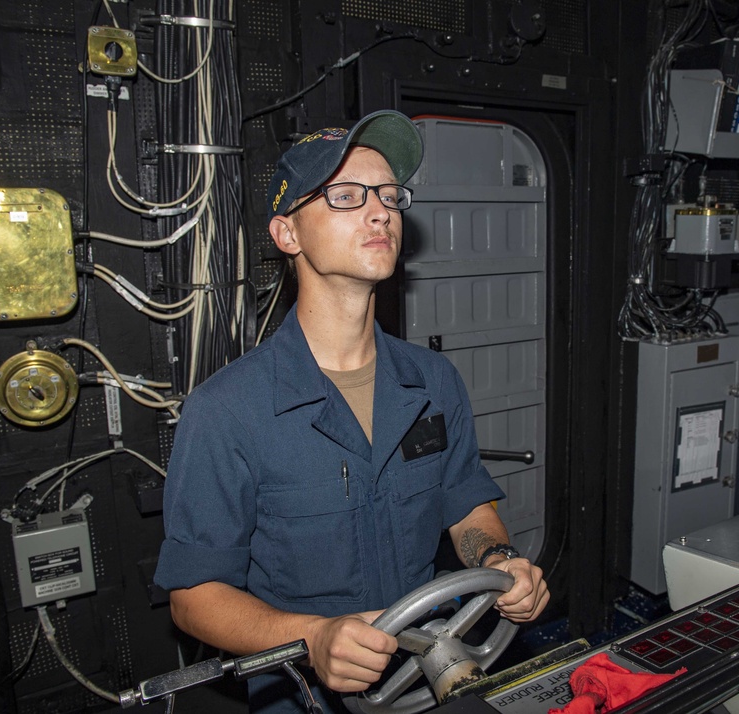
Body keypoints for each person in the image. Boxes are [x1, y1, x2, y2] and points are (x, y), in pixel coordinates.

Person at [154, 109, 550, 713]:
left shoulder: (433, 382)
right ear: (288, 234)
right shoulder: (227, 411)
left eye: (390, 196)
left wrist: (500, 561)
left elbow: (467, 503)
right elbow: (194, 597)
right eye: (345, 195)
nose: (380, 212)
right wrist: (312, 638)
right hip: (301, 696)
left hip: (428, 672)